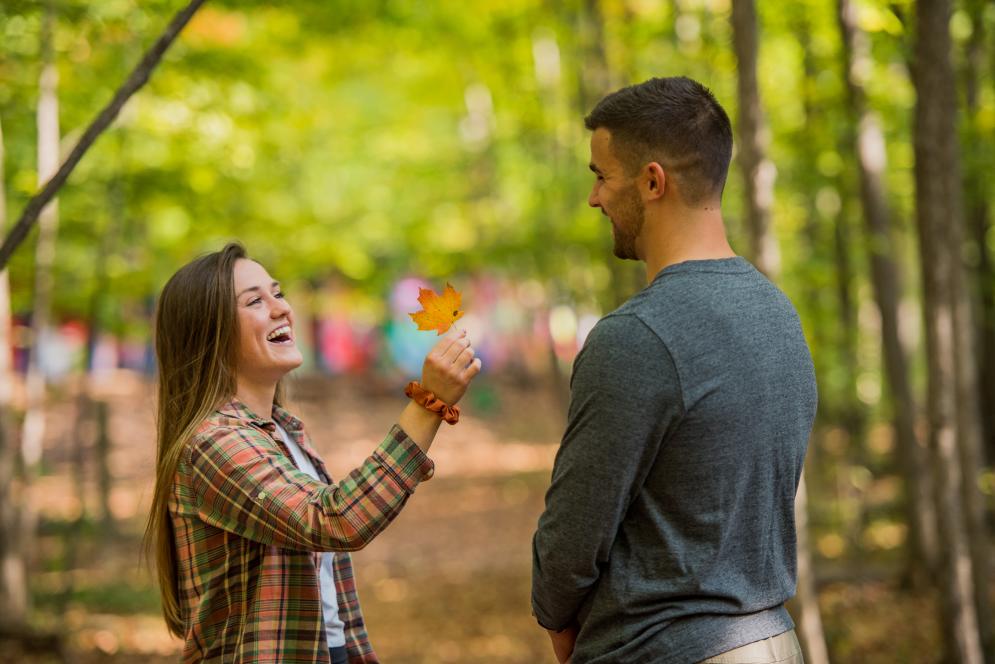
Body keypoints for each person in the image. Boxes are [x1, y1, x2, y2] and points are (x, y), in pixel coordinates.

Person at [530, 76, 817, 664]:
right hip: (774, 643)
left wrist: (557, 617)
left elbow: (571, 538)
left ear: (652, 181)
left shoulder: (636, 337)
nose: (595, 198)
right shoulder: (778, 313)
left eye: (601, 176)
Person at [144, 242, 481, 663]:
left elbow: (327, 602)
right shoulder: (214, 443)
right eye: (254, 301)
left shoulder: (284, 434)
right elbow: (336, 520)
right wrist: (428, 401)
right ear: (207, 332)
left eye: (278, 293)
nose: (281, 308)